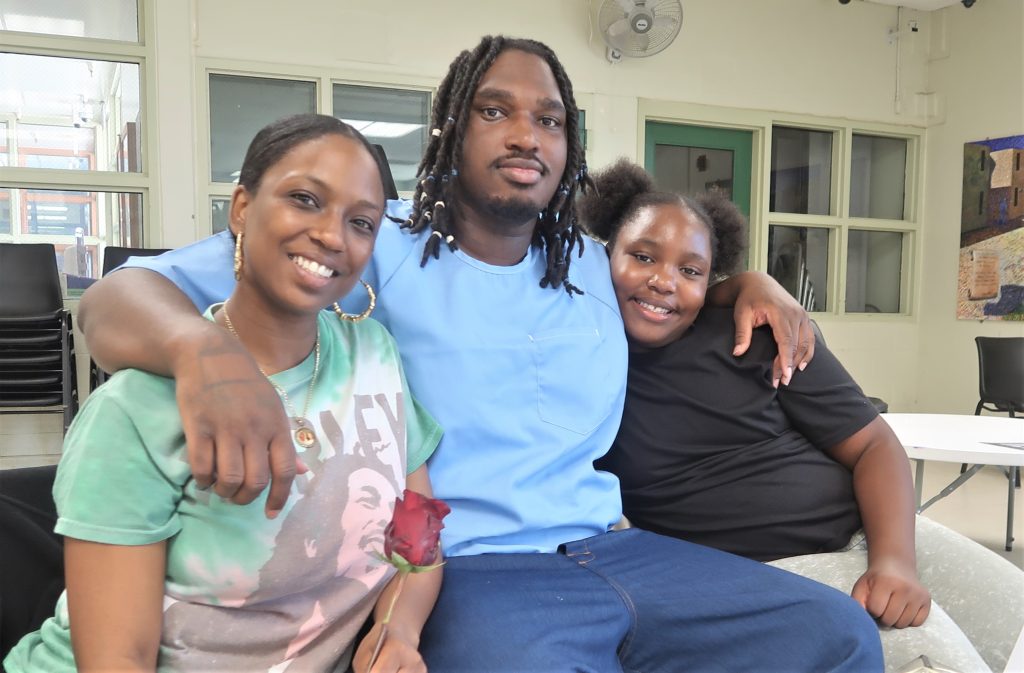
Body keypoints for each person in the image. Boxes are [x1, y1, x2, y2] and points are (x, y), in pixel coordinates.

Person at [77, 36, 882, 671]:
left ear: (570, 150)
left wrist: (755, 283)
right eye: (496, 110)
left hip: (619, 547)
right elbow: (115, 299)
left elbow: (678, 276)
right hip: (470, 570)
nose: (527, 133)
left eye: (551, 119)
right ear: (452, 128)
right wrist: (200, 354)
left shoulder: (596, 267)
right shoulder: (368, 241)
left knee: (837, 635)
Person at [4, 114, 443, 673]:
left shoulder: (375, 356)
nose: (334, 236)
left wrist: (396, 631)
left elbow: (420, 535)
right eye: (305, 199)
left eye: (361, 222)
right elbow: (117, 661)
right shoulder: (136, 410)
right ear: (241, 208)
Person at [581, 158, 1014, 673]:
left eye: (690, 270)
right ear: (604, 253)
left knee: (1014, 628)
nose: (663, 281)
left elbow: (875, 445)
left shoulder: (757, 335)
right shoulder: (582, 359)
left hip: (879, 528)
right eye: (643, 256)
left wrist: (894, 559)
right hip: (776, 571)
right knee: (935, 663)